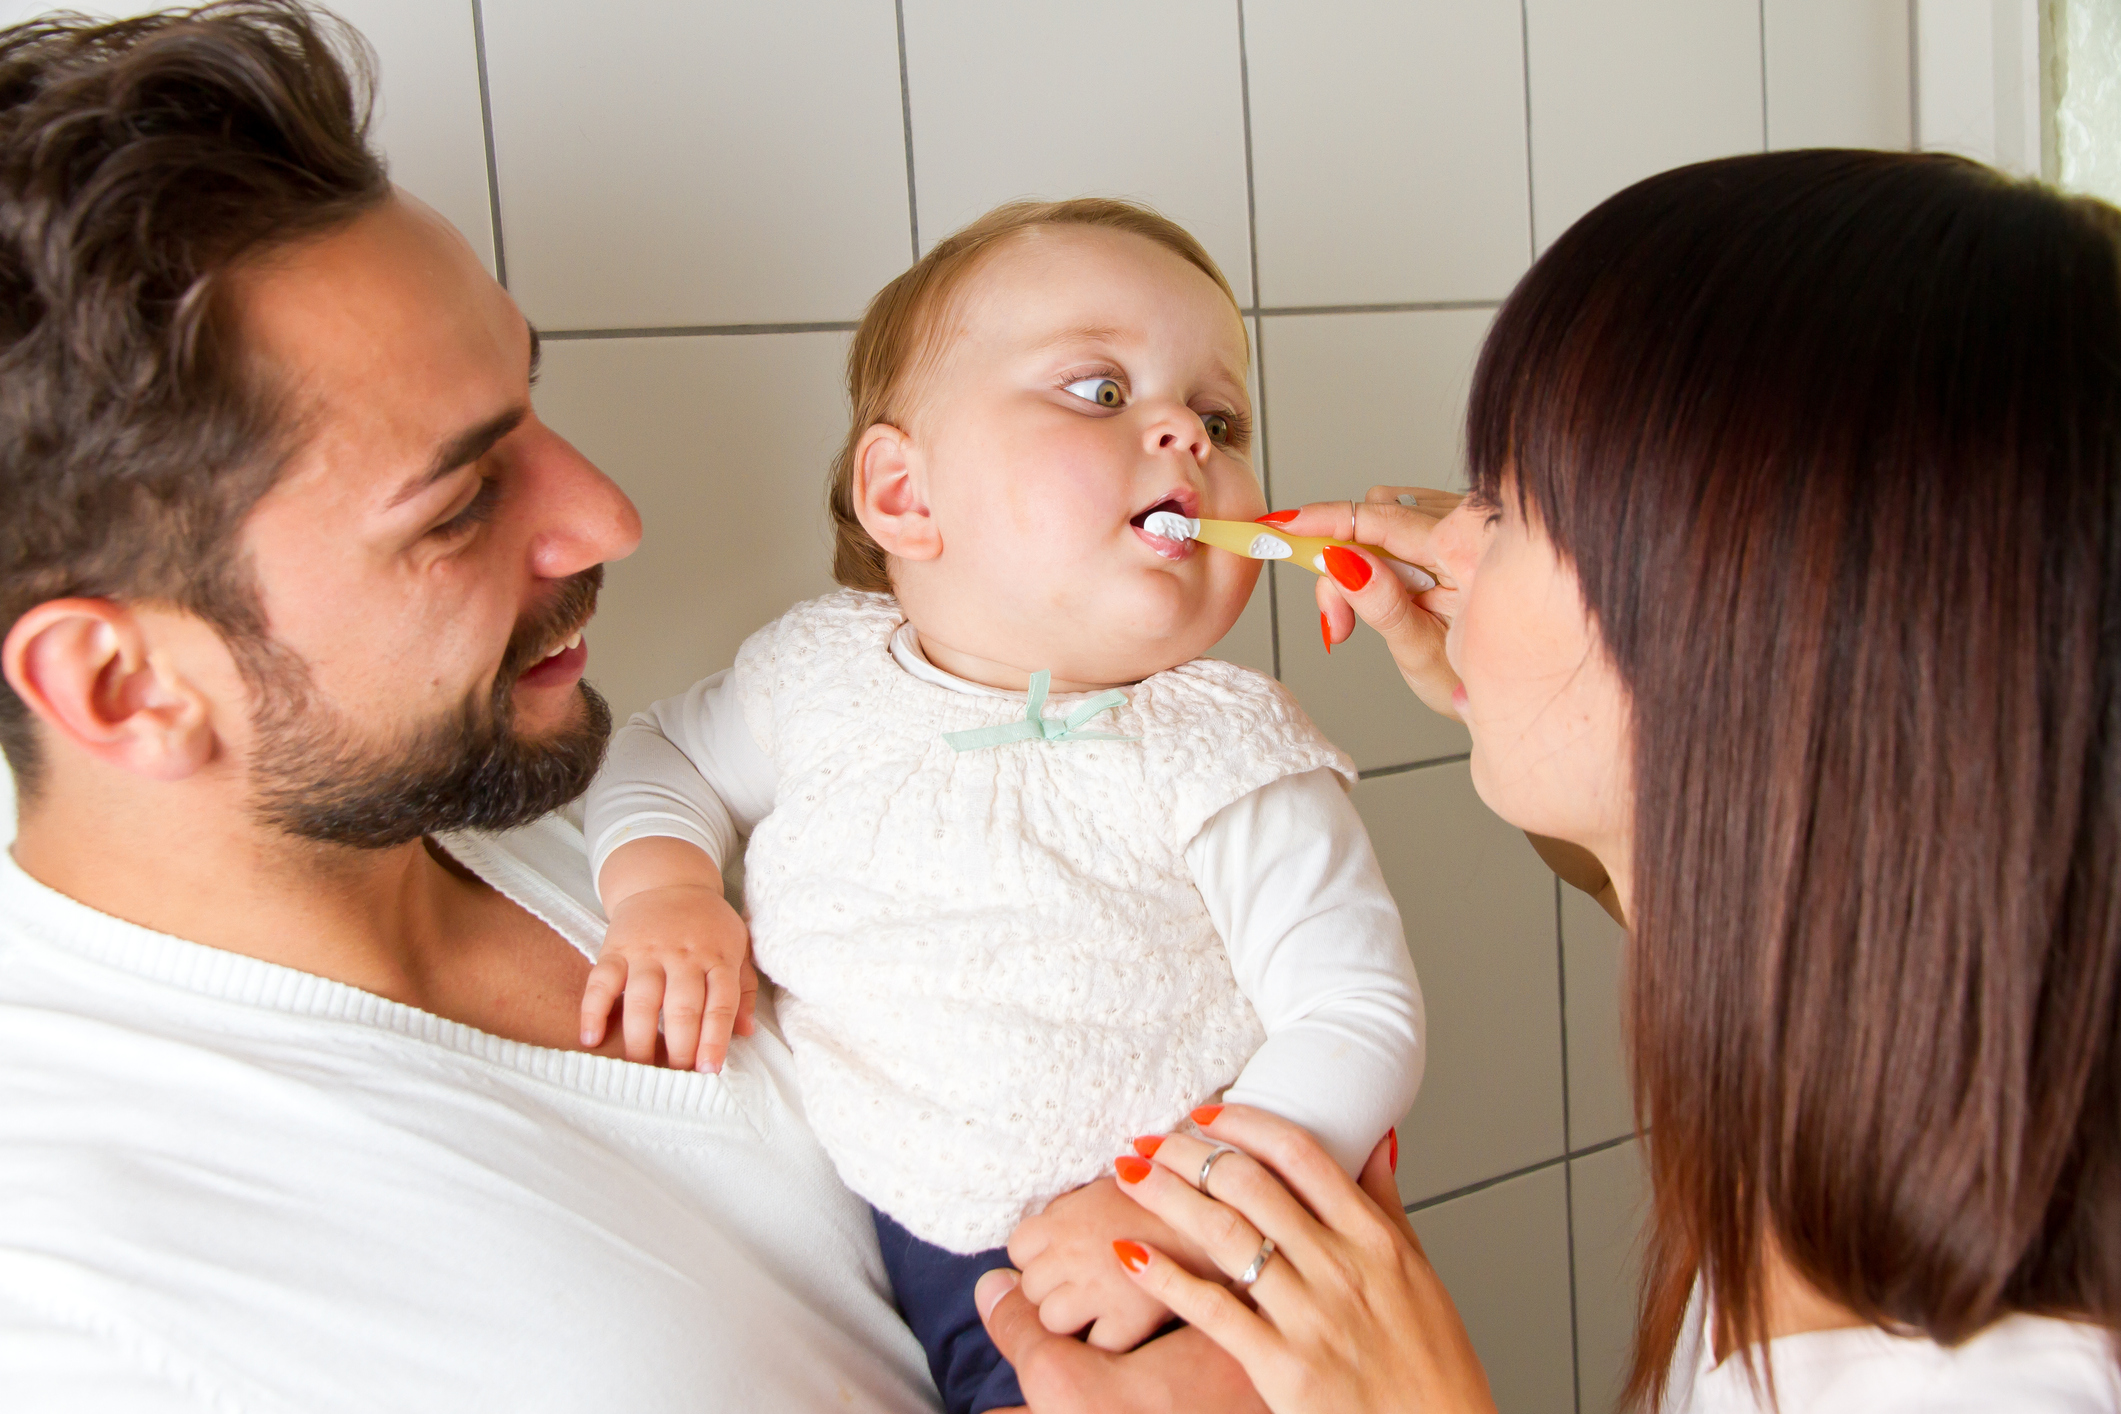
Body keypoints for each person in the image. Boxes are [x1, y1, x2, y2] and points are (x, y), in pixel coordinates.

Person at [0, 6, 1268, 1409]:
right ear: (125, 687)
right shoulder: (73, 1295)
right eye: (465, 496)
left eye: (529, 398)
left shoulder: (599, 825)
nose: (608, 514)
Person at [978, 150, 2121, 1412]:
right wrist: (1499, 679)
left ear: (1731, 640)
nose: (1445, 541)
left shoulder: (2000, 1383)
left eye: (1507, 506)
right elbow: (1745, 893)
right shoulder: (1876, 1076)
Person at [575, 197, 1424, 1413]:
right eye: (1098, 390)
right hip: (911, 1242)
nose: (1185, 428)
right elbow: (660, 752)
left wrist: (1172, 1209)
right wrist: (660, 885)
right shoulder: (815, 679)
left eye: (1222, 418)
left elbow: (1360, 1013)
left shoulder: (1231, 750)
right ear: (905, 494)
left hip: (1183, 1264)